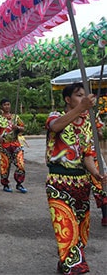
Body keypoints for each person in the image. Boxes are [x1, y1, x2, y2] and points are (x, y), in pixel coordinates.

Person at [45, 83, 107, 274]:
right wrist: (82, 108)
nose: (83, 98)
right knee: (65, 226)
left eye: (84, 96)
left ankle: (66, 262)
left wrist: (96, 173)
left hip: (82, 182)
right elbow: (56, 127)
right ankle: (73, 266)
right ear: (67, 99)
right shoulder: (55, 116)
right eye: (79, 95)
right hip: (58, 181)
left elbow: (87, 155)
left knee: (81, 230)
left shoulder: (87, 123)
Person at [0, 98, 27, 193]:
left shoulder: (16, 117)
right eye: (5, 105)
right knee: (5, 165)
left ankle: (19, 184)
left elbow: (23, 128)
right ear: (1, 106)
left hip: (16, 144)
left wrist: (17, 127)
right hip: (5, 145)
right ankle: (5, 184)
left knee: (20, 164)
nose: (7, 106)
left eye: (8, 104)